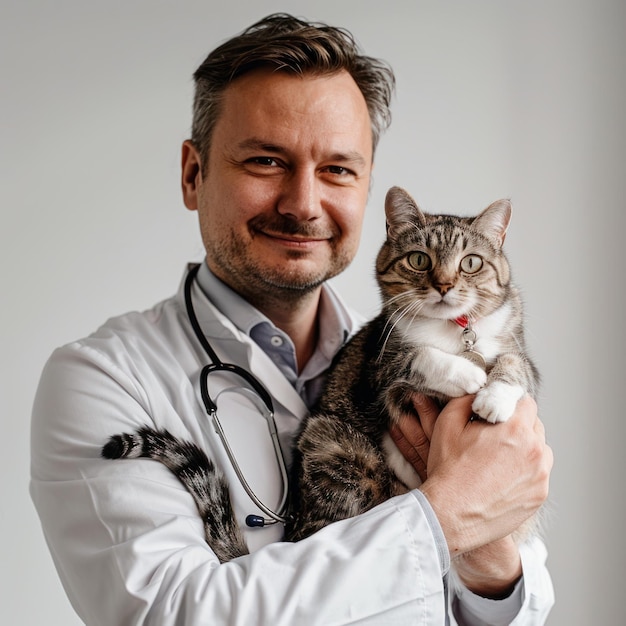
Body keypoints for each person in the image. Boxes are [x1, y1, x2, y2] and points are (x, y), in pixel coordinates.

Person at [30, 13, 554, 625]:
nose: (304, 204)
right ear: (193, 174)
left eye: (337, 169)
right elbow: (175, 614)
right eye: (266, 162)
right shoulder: (102, 378)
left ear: (365, 191)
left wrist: (490, 559)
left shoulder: (412, 352)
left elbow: (521, 602)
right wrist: (447, 517)